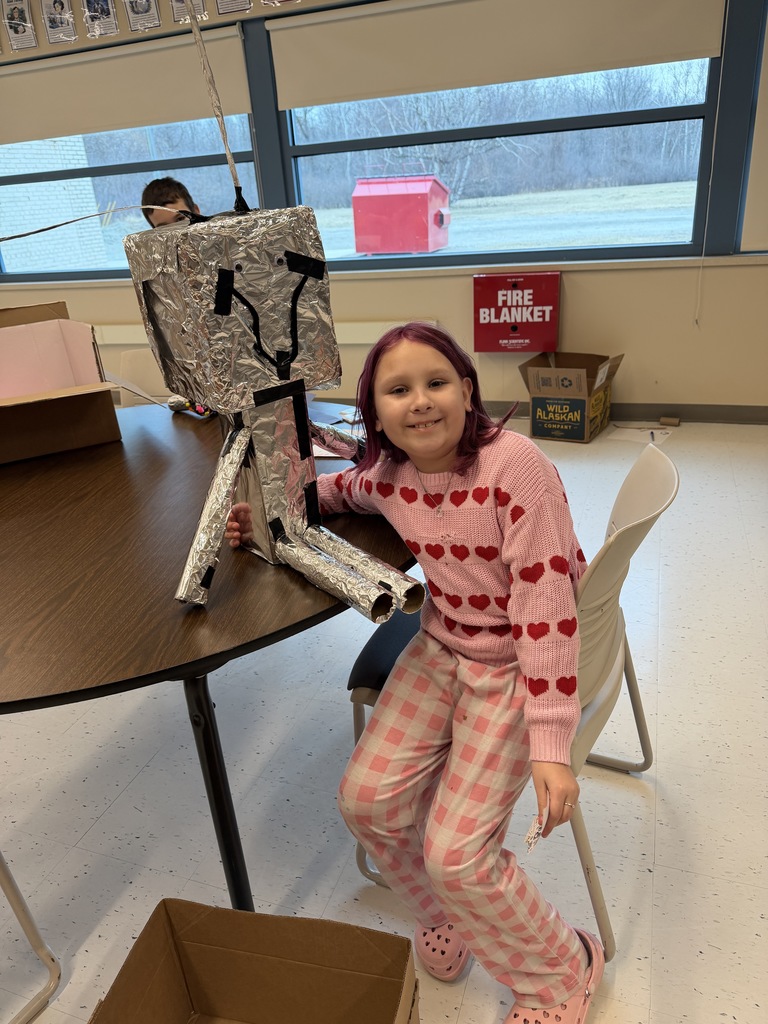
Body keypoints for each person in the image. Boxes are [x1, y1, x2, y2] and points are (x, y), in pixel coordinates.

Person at [225, 321, 604, 1024]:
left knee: (458, 856)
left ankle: (564, 970)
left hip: (519, 664)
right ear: (376, 416)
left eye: (436, 383)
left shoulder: (516, 469)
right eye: (398, 391)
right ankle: (450, 913)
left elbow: (547, 613)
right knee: (366, 804)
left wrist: (552, 744)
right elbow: (342, 490)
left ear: (468, 390)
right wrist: (266, 518)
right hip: (442, 648)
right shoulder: (392, 474)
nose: (421, 401)